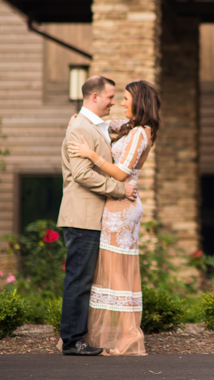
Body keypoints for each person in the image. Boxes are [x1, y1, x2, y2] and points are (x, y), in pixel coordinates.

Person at [67, 79, 160, 356]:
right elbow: (107, 124)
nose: (121, 103)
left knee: (116, 271)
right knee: (112, 270)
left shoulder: (141, 134)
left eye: (126, 99)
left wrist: (90, 154)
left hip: (122, 206)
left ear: (139, 102)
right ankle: (114, 332)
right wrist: (80, 119)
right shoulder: (132, 128)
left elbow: (121, 173)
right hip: (119, 204)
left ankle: (131, 333)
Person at [57, 75, 138, 356]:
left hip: (91, 217)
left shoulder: (92, 125)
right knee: (78, 280)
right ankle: (72, 341)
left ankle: (73, 337)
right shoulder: (80, 127)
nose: (113, 102)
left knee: (82, 279)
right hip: (81, 216)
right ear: (94, 97)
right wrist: (119, 189)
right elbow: (81, 174)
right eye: (109, 97)